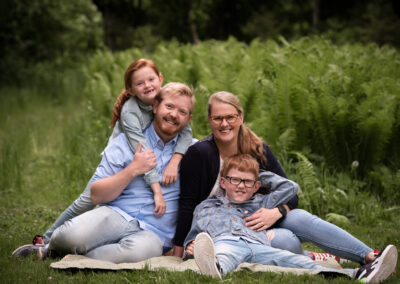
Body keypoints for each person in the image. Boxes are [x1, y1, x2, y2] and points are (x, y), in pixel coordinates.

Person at [172, 91, 381, 265]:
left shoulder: (257, 149)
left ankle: (369, 256)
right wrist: (180, 249)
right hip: (221, 226)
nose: (224, 124)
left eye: (230, 117)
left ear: (240, 117)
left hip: (257, 219)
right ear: (209, 120)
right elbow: (188, 203)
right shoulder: (200, 153)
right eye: (218, 118)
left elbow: (291, 194)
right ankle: (307, 257)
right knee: (286, 240)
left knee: (298, 217)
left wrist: (276, 212)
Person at [12, 82, 195, 263]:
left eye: (182, 112)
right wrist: (133, 169)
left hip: (154, 234)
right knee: (68, 237)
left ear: (189, 119)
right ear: (155, 106)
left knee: (135, 253)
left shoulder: (194, 152)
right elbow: (96, 195)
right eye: (169, 106)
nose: (174, 115)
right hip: (116, 215)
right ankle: (54, 247)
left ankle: (73, 257)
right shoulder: (126, 142)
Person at [187, 154, 398, 282]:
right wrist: (190, 245)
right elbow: (196, 233)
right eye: (235, 180)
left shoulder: (261, 202)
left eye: (247, 182)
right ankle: (216, 269)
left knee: (298, 263)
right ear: (223, 182)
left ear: (257, 186)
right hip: (227, 243)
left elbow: (290, 187)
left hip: (259, 244)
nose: (241, 185)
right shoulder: (207, 206)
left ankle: (357, 274)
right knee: (223, 256)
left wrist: (255, 175)